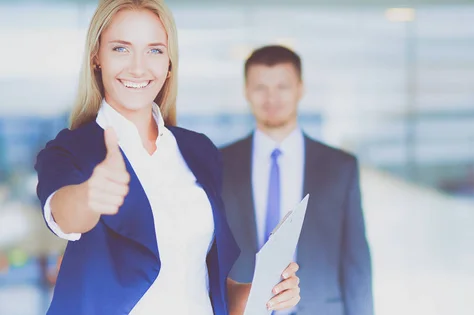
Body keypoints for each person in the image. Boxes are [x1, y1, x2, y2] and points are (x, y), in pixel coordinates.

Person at [34, 1, 300, 314]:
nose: (138, 67)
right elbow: (62, 215)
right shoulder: (70, 149)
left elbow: (202, 283)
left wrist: (261, 293)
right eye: (121, 49)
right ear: (97, 57)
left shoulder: (199, 151)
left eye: (155, 50)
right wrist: (89, 197)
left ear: (169, 62)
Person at [220, 45, 374, 315]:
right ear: (246, 91)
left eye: (282, 86)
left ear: (300, 89)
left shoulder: (340, 167)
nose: (272, 97)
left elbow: (356, 264)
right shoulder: (218, 163)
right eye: (260, 87)